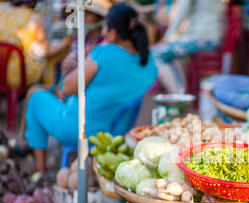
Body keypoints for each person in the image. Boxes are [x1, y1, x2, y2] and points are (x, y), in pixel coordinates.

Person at [23, 4, 158, 173]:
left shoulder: (104, 53)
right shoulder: (150, 62)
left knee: (36, 98)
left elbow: (66, 87)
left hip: (81, 129)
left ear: (113, 33)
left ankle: (40, 172)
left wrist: (86, 58)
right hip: (115, 133)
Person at [151, 0, 226, 93]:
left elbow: (182, 12)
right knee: (174, 54)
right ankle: (182, 92)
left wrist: (166, 38)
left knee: (155, 53)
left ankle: (177, 97)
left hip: (202, 39)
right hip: (212, 37)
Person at [0, 0, 73, 88]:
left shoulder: (1, 10)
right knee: (50, 59)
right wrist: (67, 42)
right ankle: (50, 91)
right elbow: (47, 52)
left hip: (1, 71)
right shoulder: (33, 17)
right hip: (17, 75)